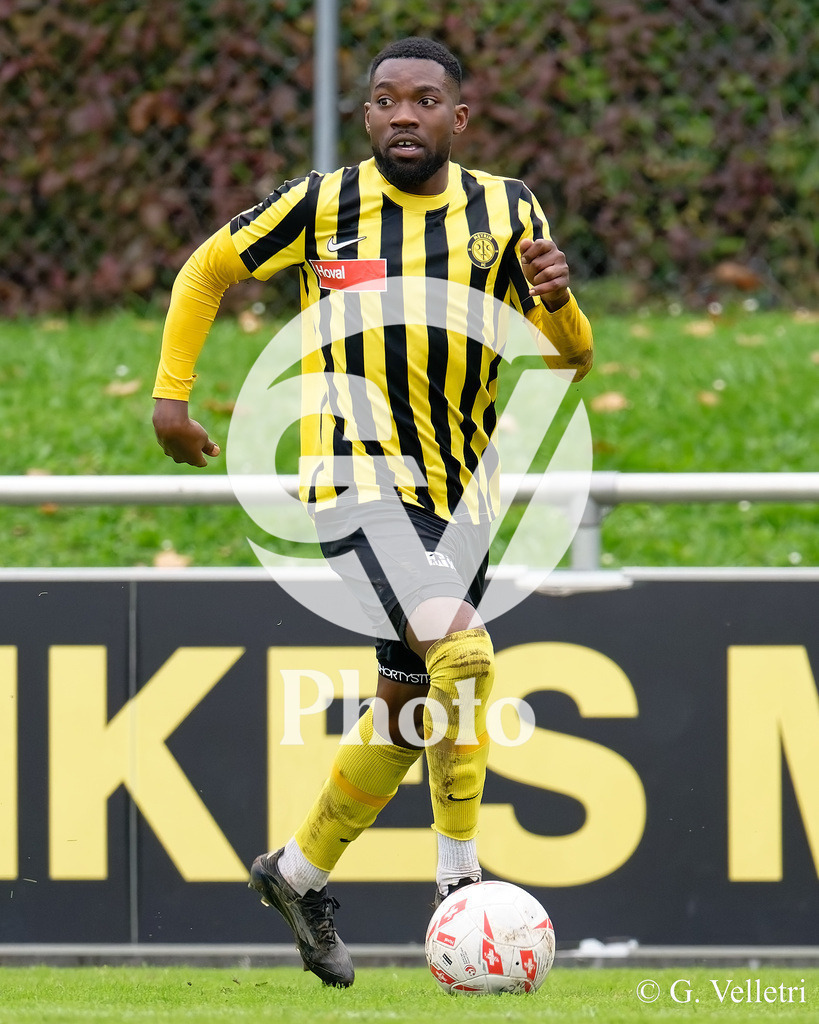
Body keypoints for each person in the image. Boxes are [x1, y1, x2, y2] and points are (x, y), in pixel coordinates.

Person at [152, 37, 593, 988]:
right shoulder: (321, 205)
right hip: (353, 484)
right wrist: (170, 396)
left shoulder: (508, 211)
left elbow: (567, 360)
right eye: (385, 100)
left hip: (462, 499)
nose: (403, 114)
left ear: (456, 119)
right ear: (365, 118)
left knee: (409, 702)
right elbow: (204, 272)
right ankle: (459, 886)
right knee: (465, 657)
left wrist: (559, 306)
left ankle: (298, 874)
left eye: (424, 100)